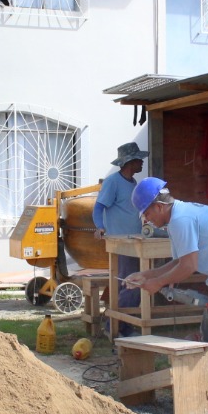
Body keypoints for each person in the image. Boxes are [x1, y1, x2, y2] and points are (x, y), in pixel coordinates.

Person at [125, 177, 208, 413]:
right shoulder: (177, 217)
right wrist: (147, 275)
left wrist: (157, 283)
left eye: (146, 213)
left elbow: (188, 266)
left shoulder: (180, 220)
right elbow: (179, 262)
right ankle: (207, 386)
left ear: (159, 205)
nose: (146, 219)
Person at [94, 142, 149, 336]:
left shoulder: (133, 183)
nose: (142, 162)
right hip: (121, 242)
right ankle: (114, 326)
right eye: (138, 160)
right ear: (129, 162)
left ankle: (122, 326)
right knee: (132, 284)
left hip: (134, 240)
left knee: (129, 284)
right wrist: (100, 227)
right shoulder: (112, 182)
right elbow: (98, 207)